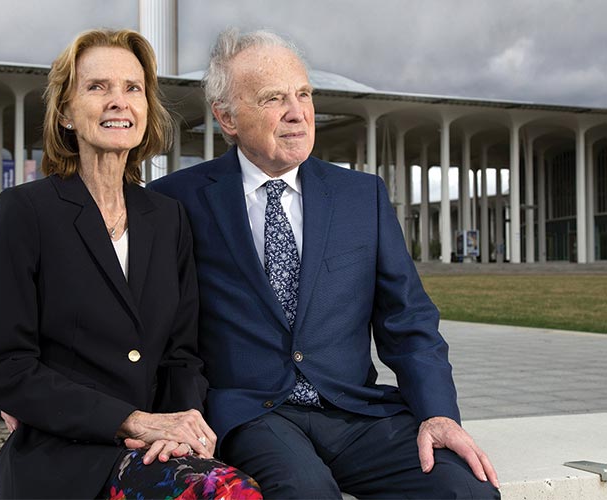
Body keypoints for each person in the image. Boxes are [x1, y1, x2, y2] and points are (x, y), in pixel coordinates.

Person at [148, 29, 501, 499]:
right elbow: (156, 326)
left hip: (356, 413)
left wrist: (438, 414)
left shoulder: (362, 196)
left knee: (468, 491)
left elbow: (408, 317)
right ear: (226, 117)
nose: (297, 112)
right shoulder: (176, 200)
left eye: (304, 94)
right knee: (306, 492)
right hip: (253, 415)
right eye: (274, 98)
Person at [0, 28, 261, 500]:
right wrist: (134, 422)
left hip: (155, 450)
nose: (118, 101)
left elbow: (181, 355)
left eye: (132, 88)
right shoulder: (25, 211)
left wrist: (178, 426)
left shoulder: (167, 217)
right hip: (66, 457)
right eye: (97, 87)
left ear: (147, 109)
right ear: (66, 112)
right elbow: (3, 367)